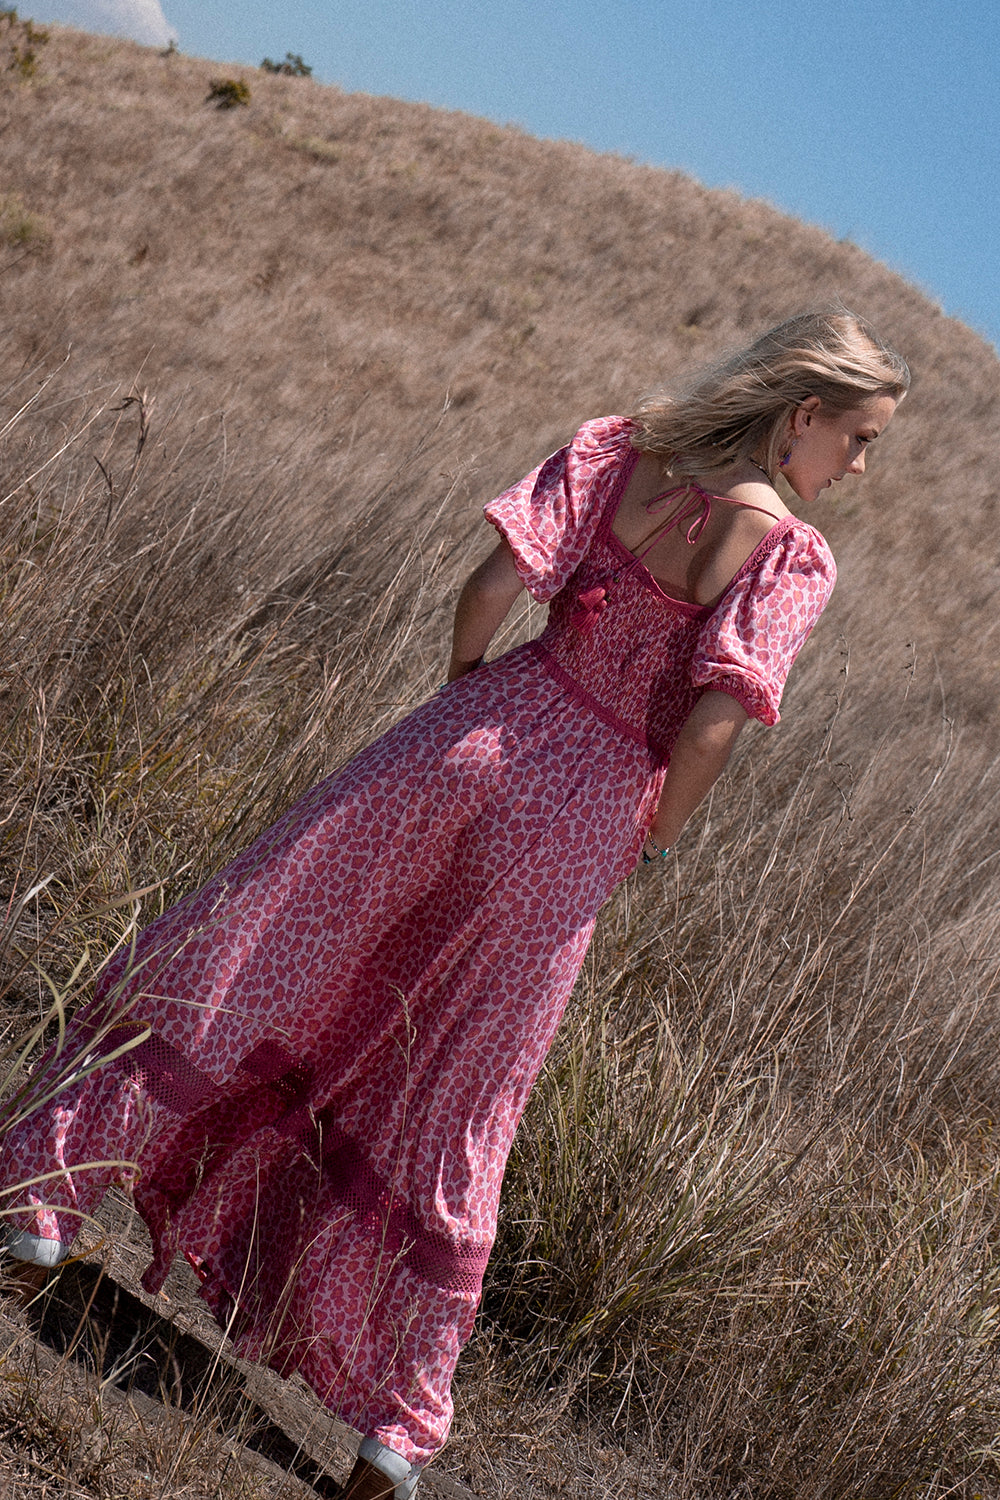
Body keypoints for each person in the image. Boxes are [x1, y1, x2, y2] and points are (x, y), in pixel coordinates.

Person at [0, 311, 908, 1499]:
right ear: (802, 416)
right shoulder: (791, 557)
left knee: (259, 951)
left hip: (479, 731)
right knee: (466, 1079)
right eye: (859, 437)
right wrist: (660, 844)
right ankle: (391, 1435)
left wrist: (466, 705)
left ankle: (43, 1211)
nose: (861, 463)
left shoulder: (617, 451)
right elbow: (712, 724)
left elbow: (490, 585)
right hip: (580, 819)